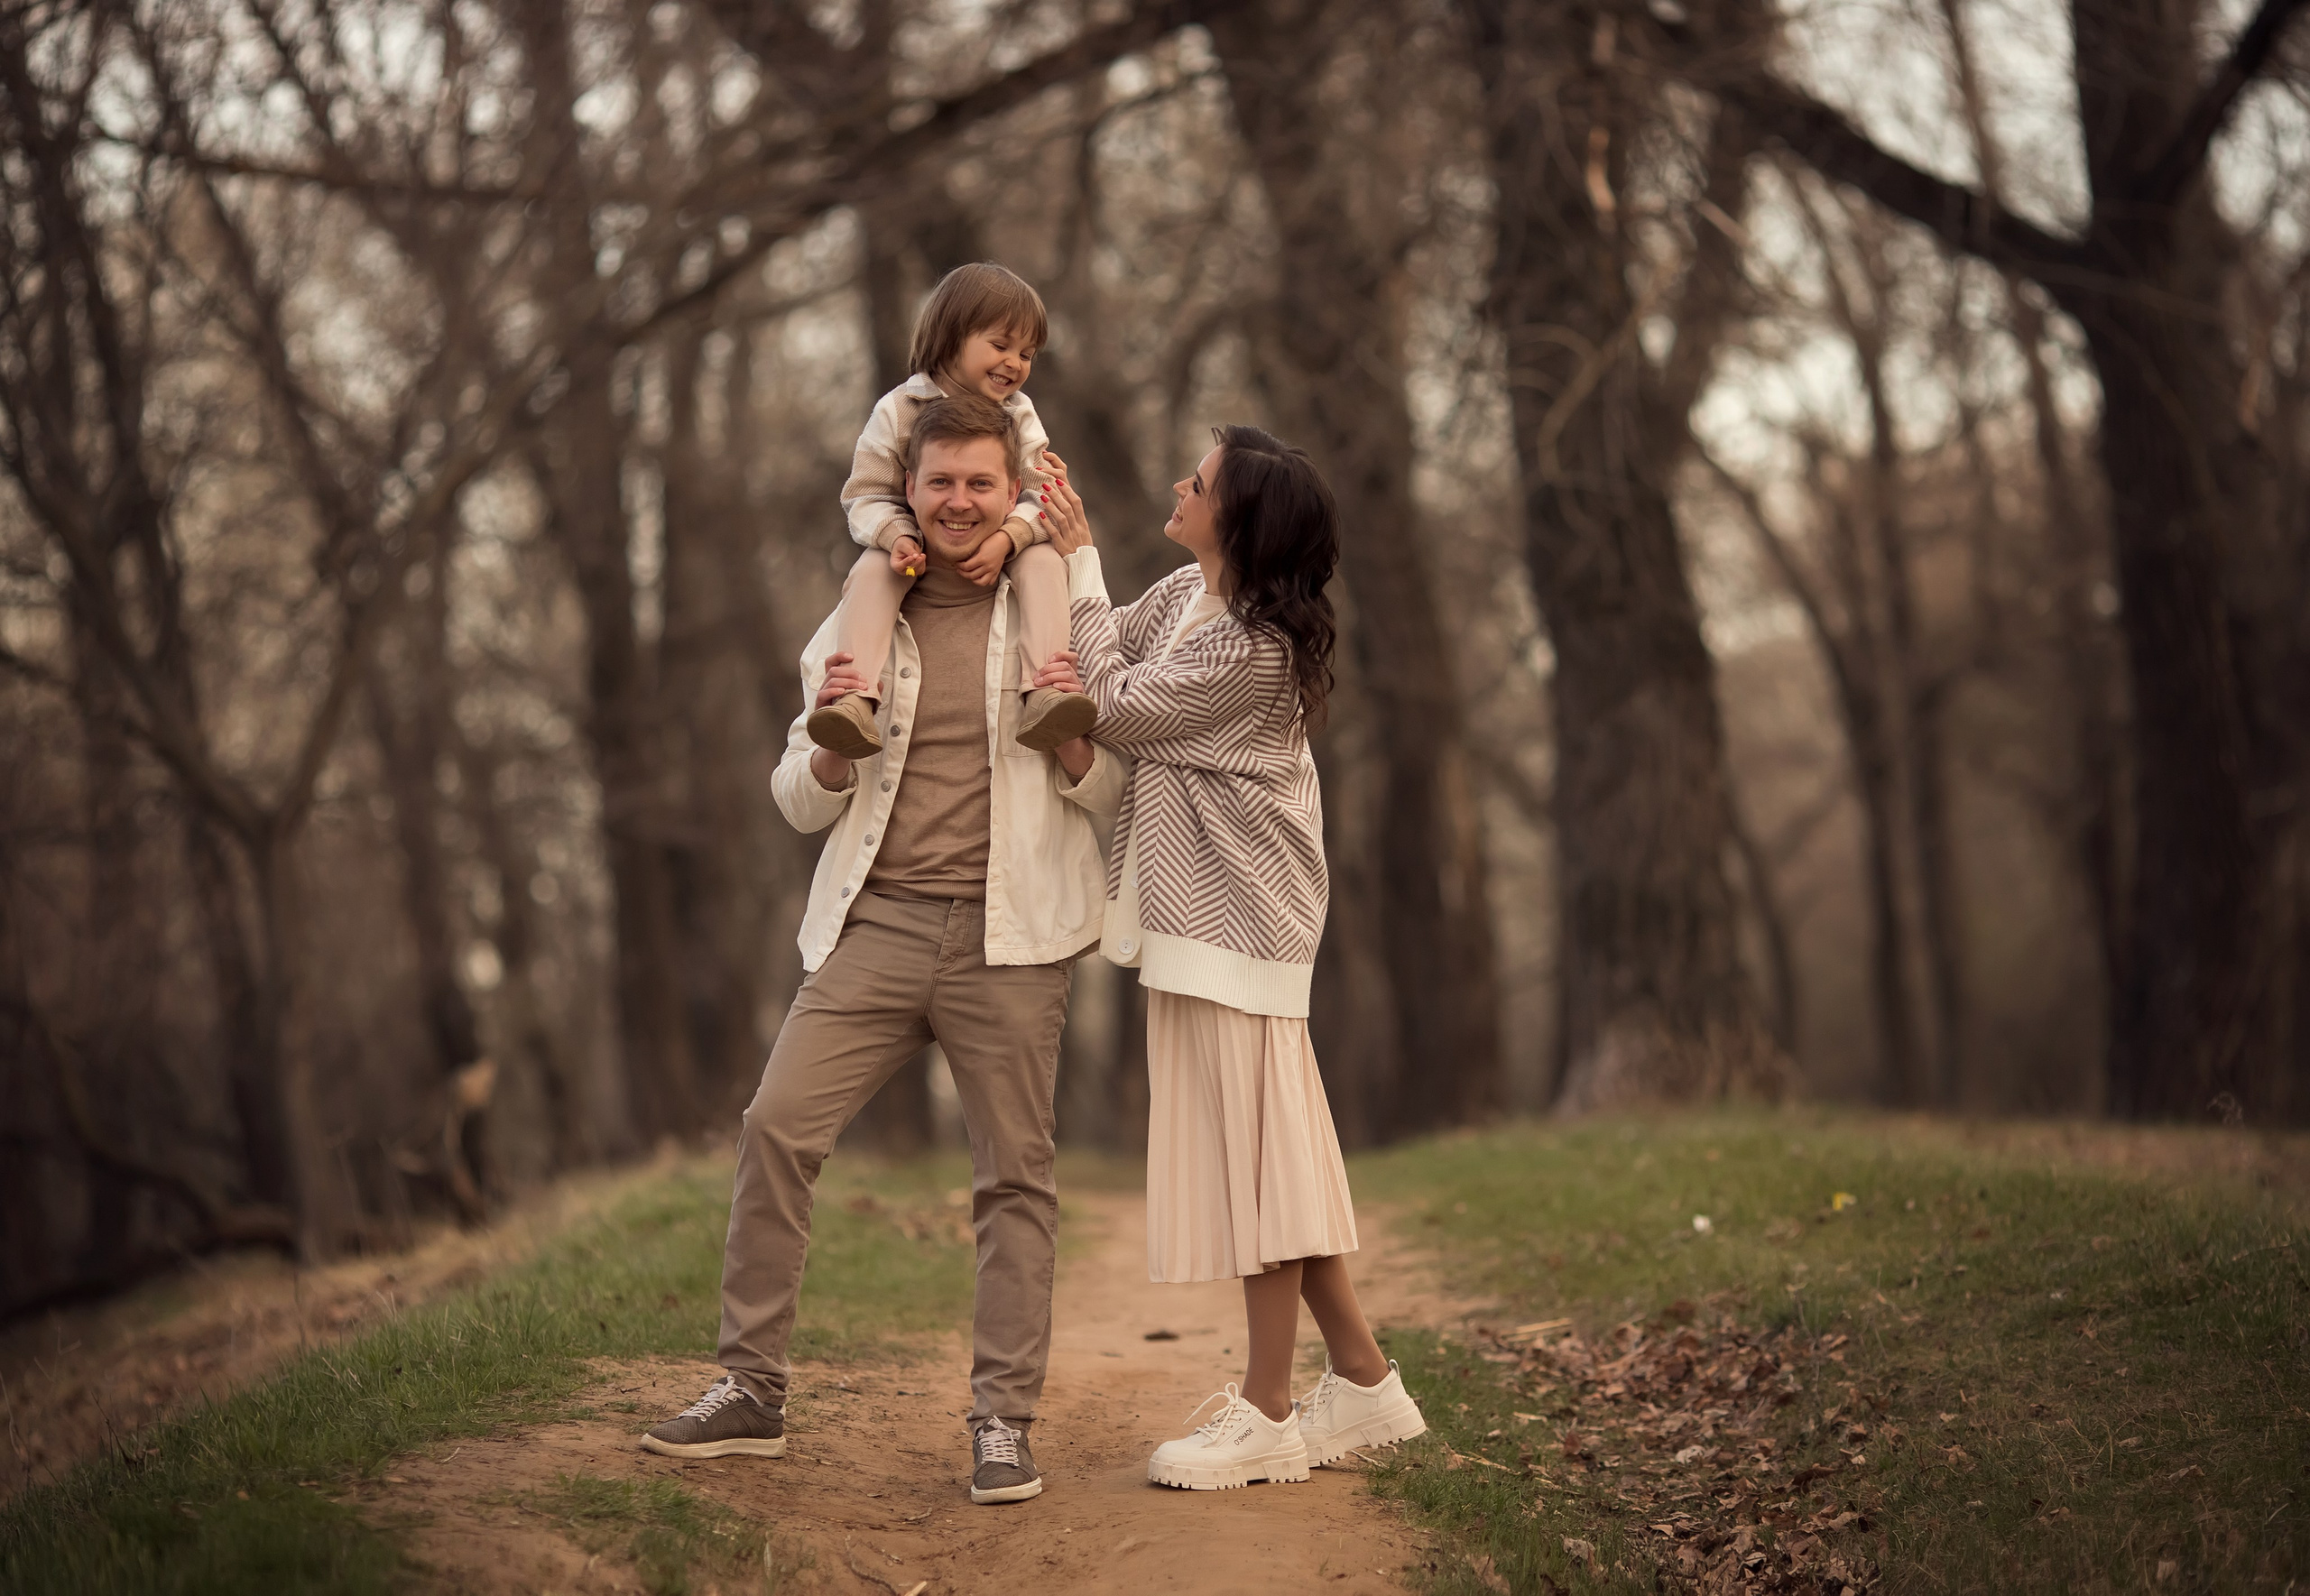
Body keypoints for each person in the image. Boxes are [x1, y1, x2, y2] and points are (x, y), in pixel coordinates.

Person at [642, 396, 1122, 1509]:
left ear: (1013, 495)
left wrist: (1080, 753)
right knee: (775, 1125)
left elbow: (1117, 788)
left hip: (1013, 939)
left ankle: (1003, 1422)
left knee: (1014, 1176)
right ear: (908, 491)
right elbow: (793, 800)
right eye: (939, 482)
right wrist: (826, 763)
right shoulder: (860, 615)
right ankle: (748, 1387)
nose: (958, 502)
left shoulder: (1061, 608)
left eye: (980, 484)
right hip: (879, 926)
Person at [1034, 428, 1428, 1490]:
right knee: (1277, 1159)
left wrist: (1073, 558)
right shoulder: (1181, 597)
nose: (1178, 484)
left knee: (1264, 1172)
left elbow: (1108, 706)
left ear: (1240, 521)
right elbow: (1095, 647)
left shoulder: (1254, 651)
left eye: (1198, 482)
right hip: (1200, 923)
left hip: (1241, 920)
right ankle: (1362, 1381)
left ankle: (1264, 1413)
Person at [807, 261, 1096, 761]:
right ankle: (855, 697)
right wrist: (898, 535)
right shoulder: (899, 409)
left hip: (1001, 537)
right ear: (952, 336)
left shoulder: (1019, 415)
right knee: (871, 572)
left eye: (1026, 353)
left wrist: (1009, 538)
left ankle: (1047, 690)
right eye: (1000, 345)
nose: (1015, 363)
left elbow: (1042, 494)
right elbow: (864, 493)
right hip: (915, 548)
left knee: (1045, 563)